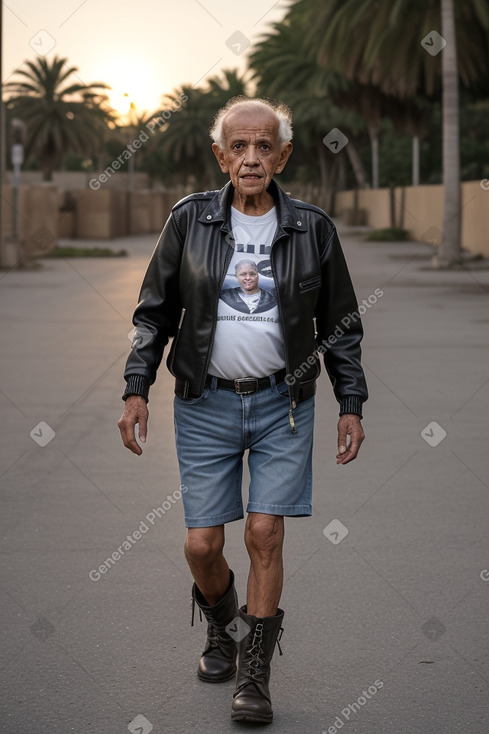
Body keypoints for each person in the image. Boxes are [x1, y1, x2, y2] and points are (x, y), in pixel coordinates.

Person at [118, 96, 367, 724]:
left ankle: (253, 674)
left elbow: (341, 324)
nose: (251, 158)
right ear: (221, 155)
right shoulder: (189, 221)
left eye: (264, 147)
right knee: (202, 545)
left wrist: (351, 402)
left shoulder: (312, 228)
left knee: (264, 533)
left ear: (282, 156)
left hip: (284, 403)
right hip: (206, 401)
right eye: (239, 147)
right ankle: (222, 622)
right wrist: (136, 388)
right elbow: (153, 313)